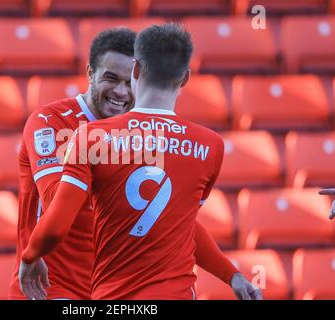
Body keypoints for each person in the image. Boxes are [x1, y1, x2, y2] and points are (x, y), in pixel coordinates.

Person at [18, 23, 263, 300]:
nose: (121, 92)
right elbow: (55, 204)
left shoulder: (139, 137)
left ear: (137, 73)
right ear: (90, 73)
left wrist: (229, 273)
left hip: (111, 288)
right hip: (51, 284)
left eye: (126, 82)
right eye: (111, 79)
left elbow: (176, 221)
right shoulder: (51, 122)